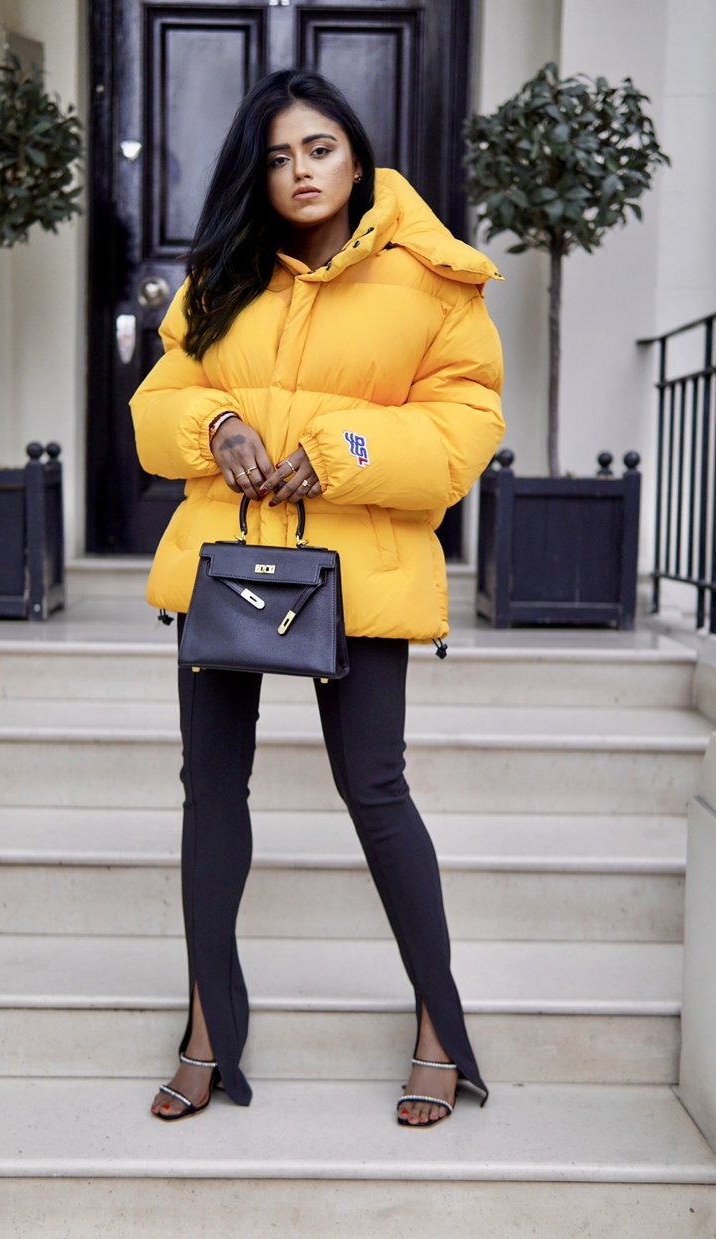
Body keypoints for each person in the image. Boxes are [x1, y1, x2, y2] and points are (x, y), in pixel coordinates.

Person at [130, 68, 505, 1128]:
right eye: (280, 154)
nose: (300, 171)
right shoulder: (221, 272)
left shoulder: (429, 276)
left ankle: (440, 1028)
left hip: (358, 571)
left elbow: (463, 419)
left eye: (320, 149)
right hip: (223, 561)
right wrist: (217, 430)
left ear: (357, 154)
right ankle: (209, 1029)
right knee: (212, 792)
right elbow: (161, 402)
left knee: (374, 790)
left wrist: (340, 450)